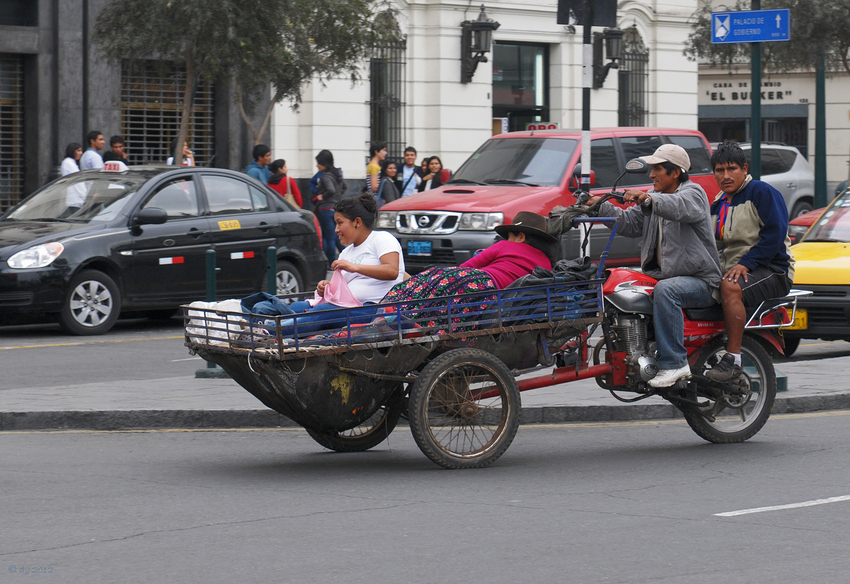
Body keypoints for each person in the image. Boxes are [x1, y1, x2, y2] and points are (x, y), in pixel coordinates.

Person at [590, 144, 722, 388]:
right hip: (664, 277)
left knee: (666, 291)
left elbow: (680, 207)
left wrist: (649, 198)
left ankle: (675, 364)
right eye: (651, 170)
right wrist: (599, 205)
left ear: (675, 173)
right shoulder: (654, 198)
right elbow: (629, 224)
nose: (651, 175)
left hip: (701, 282)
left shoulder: (694, 193)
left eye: (658, 169)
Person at [705, 140, 796, 383]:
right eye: (719, 170)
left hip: (772, 269)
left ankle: (733, 358)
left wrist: (746, 263)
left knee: (731, 286)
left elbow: (775, 235)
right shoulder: (717, 203)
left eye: (732, 168)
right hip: (732, 269)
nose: (726, 175)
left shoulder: (761, 192)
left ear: (744, 169)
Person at [276, 193, 404, 335]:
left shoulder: (381, 238)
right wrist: (325, 288)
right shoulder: (346, 252)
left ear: (357, 222)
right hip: (346, 306)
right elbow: (339, 289)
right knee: (297, 306)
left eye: (340, 223)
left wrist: (355, 267)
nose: (336, 229)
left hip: (372, 309)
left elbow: (392, 271)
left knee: (323, 312)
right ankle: (271, 326)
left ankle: (272, 332)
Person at [383, 211, 556, 307]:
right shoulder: (546, 263)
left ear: (521, 236)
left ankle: (388, 307)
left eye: (510, 235)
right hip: (498, 298)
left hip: (480, 281)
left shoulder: (505, 246)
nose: (507, 239)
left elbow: (465, 267)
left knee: (430, 279)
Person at [313, 149, 345, 262]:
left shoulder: (326, 177)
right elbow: (344, 187)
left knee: (329, 238)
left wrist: (322, 196)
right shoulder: (337, 174)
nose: (317, 165)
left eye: (319, 163)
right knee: (337, 237)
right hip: (336, 208)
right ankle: (346, 258)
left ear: (325, 163)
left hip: (326, 209)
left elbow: (330, 190)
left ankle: (331, 262)